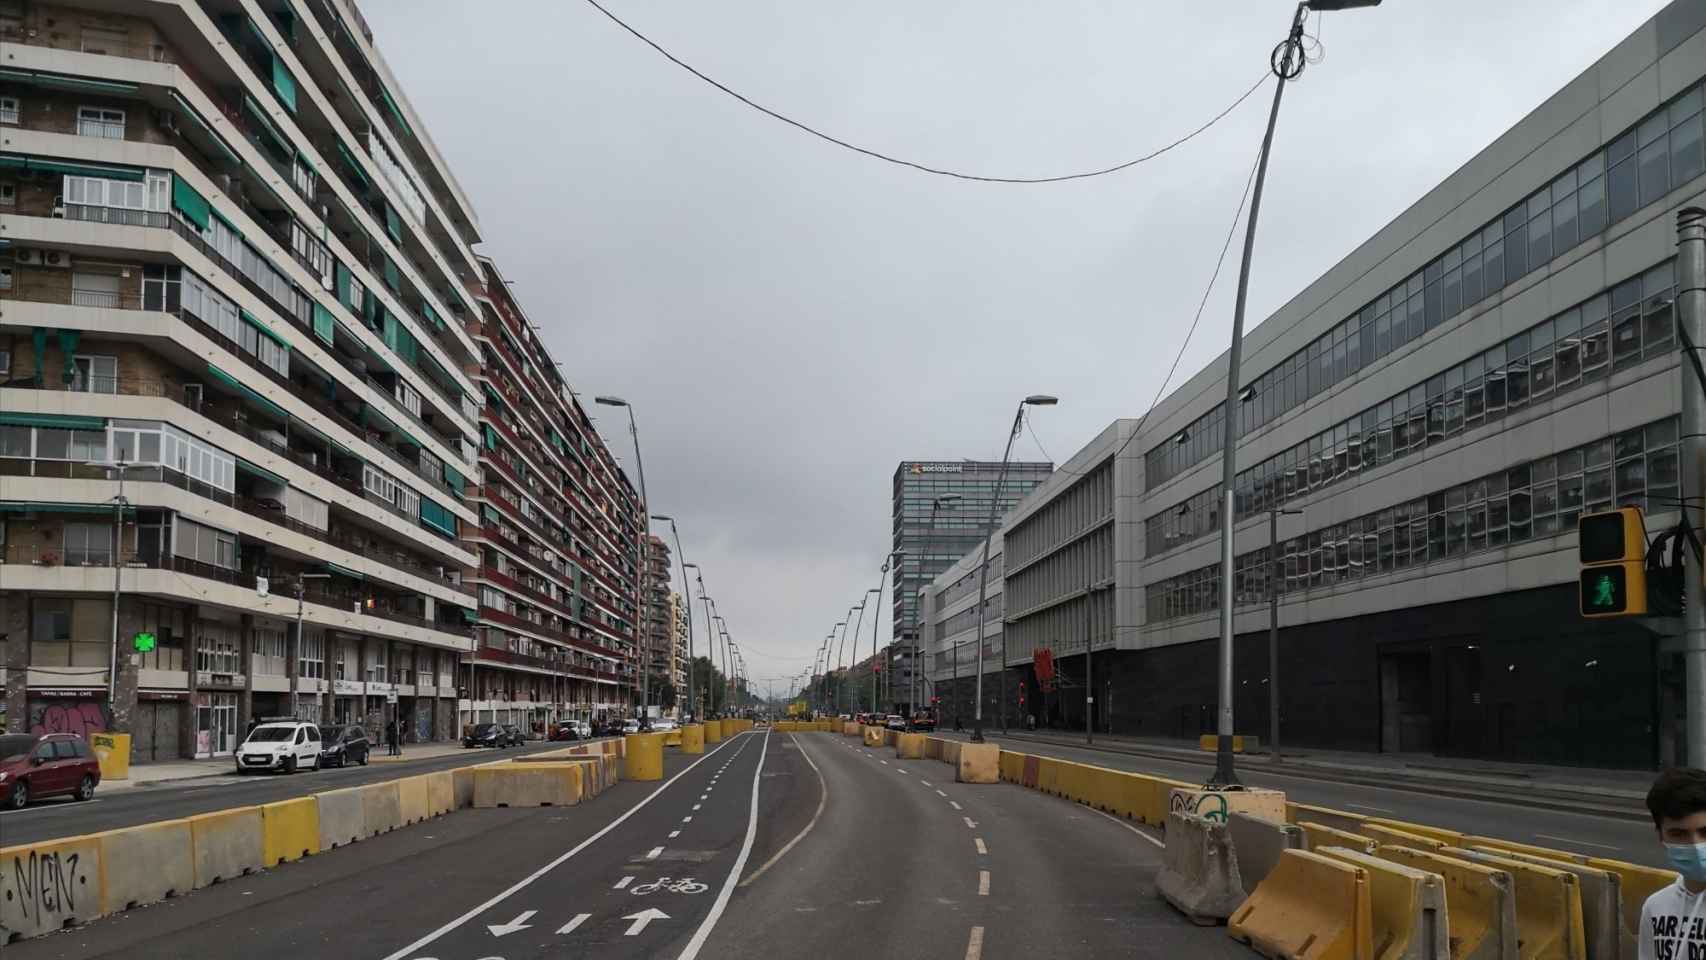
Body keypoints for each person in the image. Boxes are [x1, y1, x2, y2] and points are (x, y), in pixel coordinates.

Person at [1640, 767, 1706, 960]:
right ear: (1661, 836)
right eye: (1679, 834)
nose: (1695, 845)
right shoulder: (1655, 906)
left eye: (1705, 831)